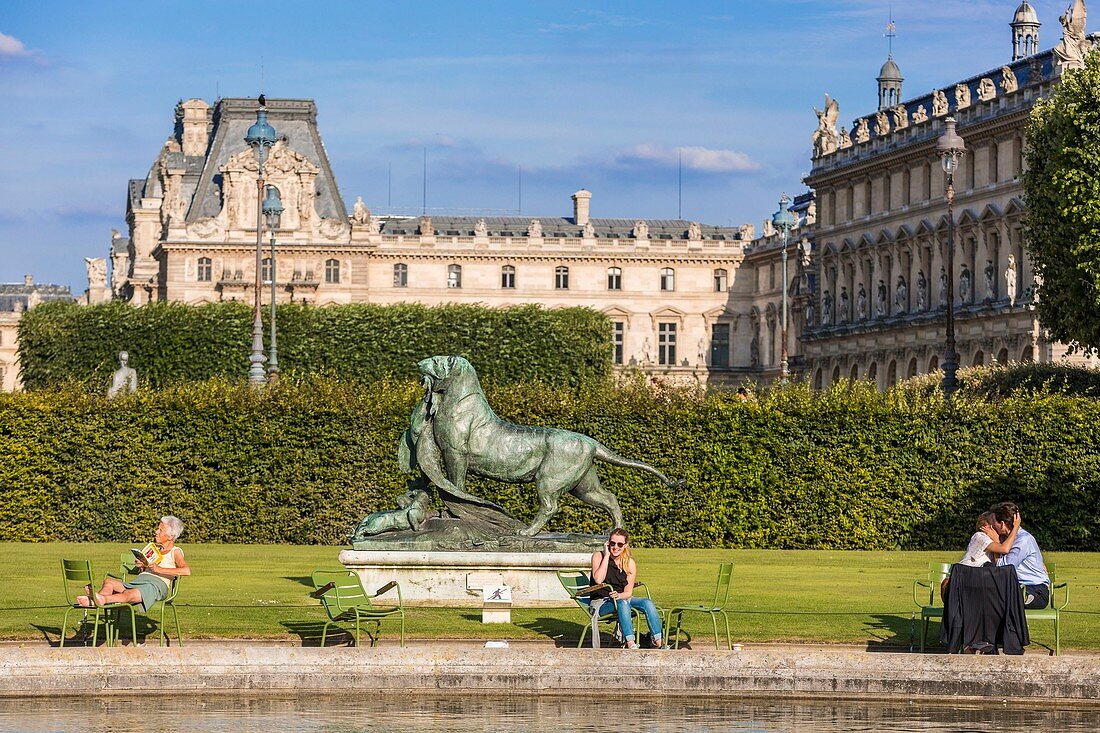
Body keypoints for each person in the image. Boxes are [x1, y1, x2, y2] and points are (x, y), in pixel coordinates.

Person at [78, 516, 190, 611]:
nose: (156, 532)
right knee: (109, 582)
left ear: (171, 536)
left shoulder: (175, 551)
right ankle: (97, 600)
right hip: (139, 582)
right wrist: (142, 566)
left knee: (129, 594)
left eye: (160, 530)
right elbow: (147, 569)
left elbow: (186, 571)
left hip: (155, 586)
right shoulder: (154, 549)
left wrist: (159, 569)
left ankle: (101, 599)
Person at [589, 528, 663, 649]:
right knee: (622, 603)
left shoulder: (629, 563)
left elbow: (628, 592)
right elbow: (598, 579)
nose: (615, 547)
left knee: (647, 603)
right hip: (602, 602)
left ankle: (658, 642)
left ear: (625, 545)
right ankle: (630, 643)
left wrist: (619, 595)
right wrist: (607, 556)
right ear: (608, 543)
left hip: (622, 598)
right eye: (612, 543)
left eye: (620, 544)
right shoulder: (599, 556)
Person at [989, 502, 1050, 609]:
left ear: (1002, 524)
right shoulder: (1007, 539)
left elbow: (1003, 568)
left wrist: (995, 542)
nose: (992, 526)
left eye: (994, 523)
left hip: (1035, 590)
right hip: (1016, 588)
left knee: (1010, 604)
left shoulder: (1023, 540)